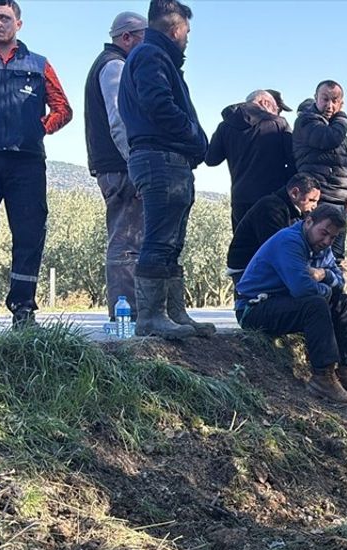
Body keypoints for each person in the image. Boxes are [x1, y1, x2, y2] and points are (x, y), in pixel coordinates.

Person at [118, 0, 212, 339]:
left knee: (172, 240)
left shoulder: (152, 58)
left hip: (167, 159)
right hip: (161, 158)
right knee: (160, 239)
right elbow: (160, 106)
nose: (187, 39)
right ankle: (151, 317)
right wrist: (195, 137)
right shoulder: (151, 57)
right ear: (175, 30)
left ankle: (173, 312)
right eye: (186, 31)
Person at [0, 0, 72, 328]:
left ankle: (23, 309)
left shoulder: (39, 64)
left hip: (27, 163)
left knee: (29, 234)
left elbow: (63, 108)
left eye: (4, 18)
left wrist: (40, 128)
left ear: (18, 24)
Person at [235, 204, 347, 405]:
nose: (326, 241)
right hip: (254, 308)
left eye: (332, 238)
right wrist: (327, 289)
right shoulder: (289, 242)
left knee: (346, 303)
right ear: (308, 222)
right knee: (314, 304)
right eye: (323, 233)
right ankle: (323, 378)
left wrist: (324, 275)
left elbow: (341, 283)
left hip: (286, 301)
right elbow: (302, 290)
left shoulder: (322, 247)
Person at [84, 10, 145, 321]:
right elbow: (119, 119)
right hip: (121, 167)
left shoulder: (109, 64)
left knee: (127, 237)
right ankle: (126, 313)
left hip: (114, 164)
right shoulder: (114, 67)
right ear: (126, 38)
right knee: (126, 239)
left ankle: (130, 311)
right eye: (143, 39)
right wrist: (137, 165)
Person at [204, 89, 295, 231]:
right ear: (264, 102)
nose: (277, 113)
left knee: (243, 248)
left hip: (240, 199)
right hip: (272, 200)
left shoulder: (225, 126)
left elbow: (211, 159)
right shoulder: (278, 124)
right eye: (276, 109)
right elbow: (293, 160)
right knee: (271, 249)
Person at [293, 80, 347, 263]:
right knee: (320, 253)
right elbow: (329, 139)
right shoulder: (307, 120)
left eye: (335, 100)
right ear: (316, 99)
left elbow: (345, 163)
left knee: (336, 257)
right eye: (325, 99)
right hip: (322, 198)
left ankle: (335, 289)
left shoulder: (332, 125)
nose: (330, 105)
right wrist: (342, 118)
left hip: (339, 200)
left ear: (341, 102)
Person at [227, 173, 320, 286]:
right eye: (312, 200)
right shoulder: (271, 209)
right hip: (247, 269)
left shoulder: (289, 211)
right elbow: (277, 249)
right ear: (295, 193)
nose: (315, 206)